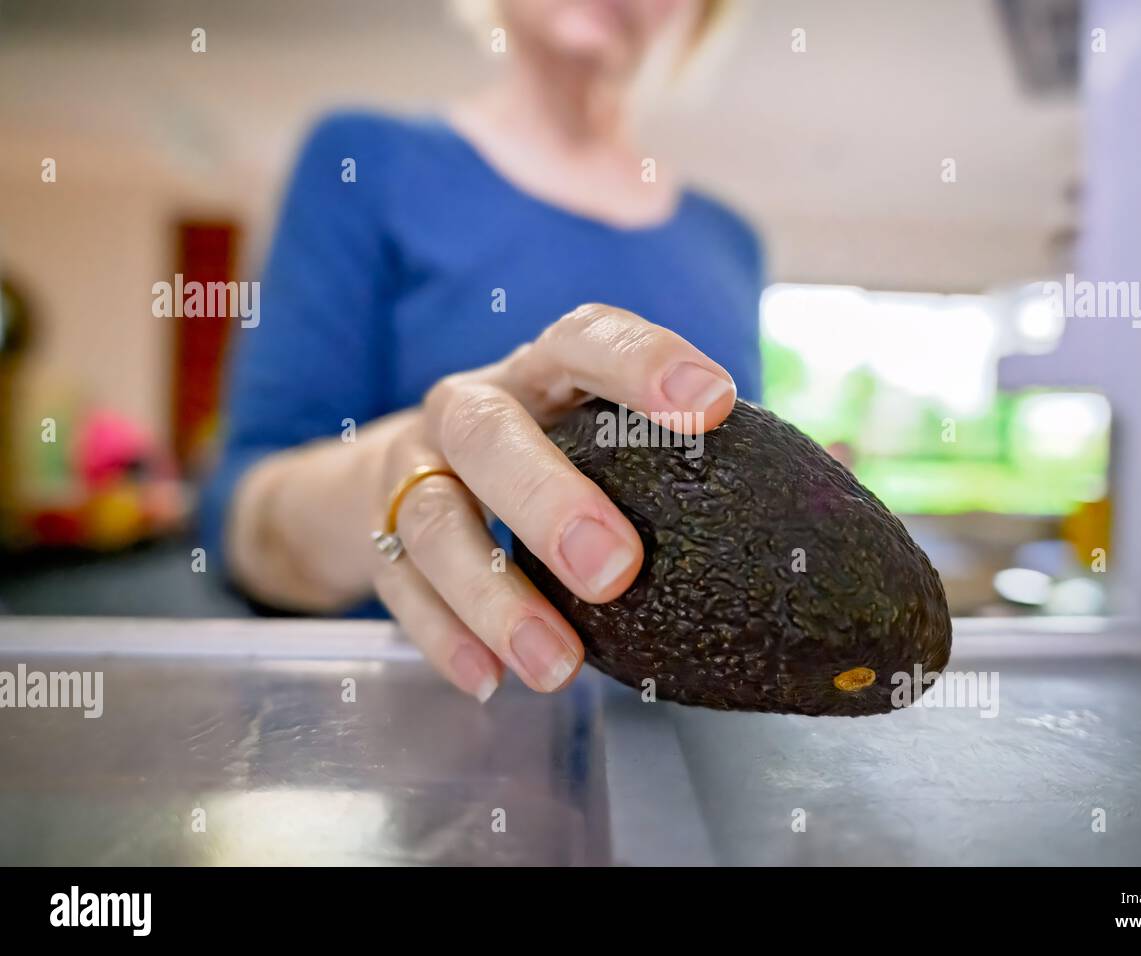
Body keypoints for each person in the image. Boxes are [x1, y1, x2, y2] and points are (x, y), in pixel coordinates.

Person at [202, 0, 763, 706]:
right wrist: (390, 479)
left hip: (671, 742)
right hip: (405, 737)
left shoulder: (729, 243)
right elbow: (244, 523)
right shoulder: (363, 163)